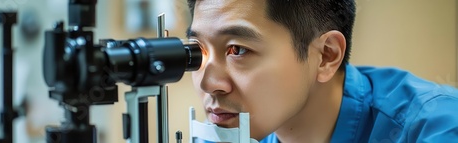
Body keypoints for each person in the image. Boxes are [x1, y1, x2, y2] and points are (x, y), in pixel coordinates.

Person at [185, 0, 458, 142]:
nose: (209, 83)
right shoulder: (231, 131)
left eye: (237, 50)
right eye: (198, 51)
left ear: (326, 55)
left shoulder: (435, 129)